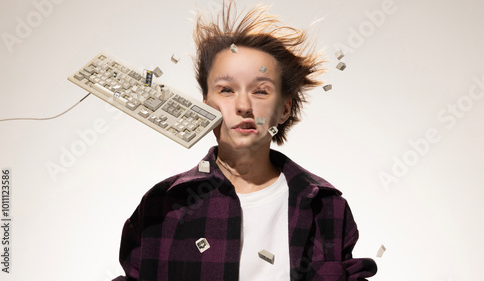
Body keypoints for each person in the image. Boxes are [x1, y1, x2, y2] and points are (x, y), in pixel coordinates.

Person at [113, 1, 377, 280]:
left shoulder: (325, 207)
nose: (243, 105)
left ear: (284, 109)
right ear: (206, 104)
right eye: (226, 90)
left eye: (261, 91)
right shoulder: (163, 204)